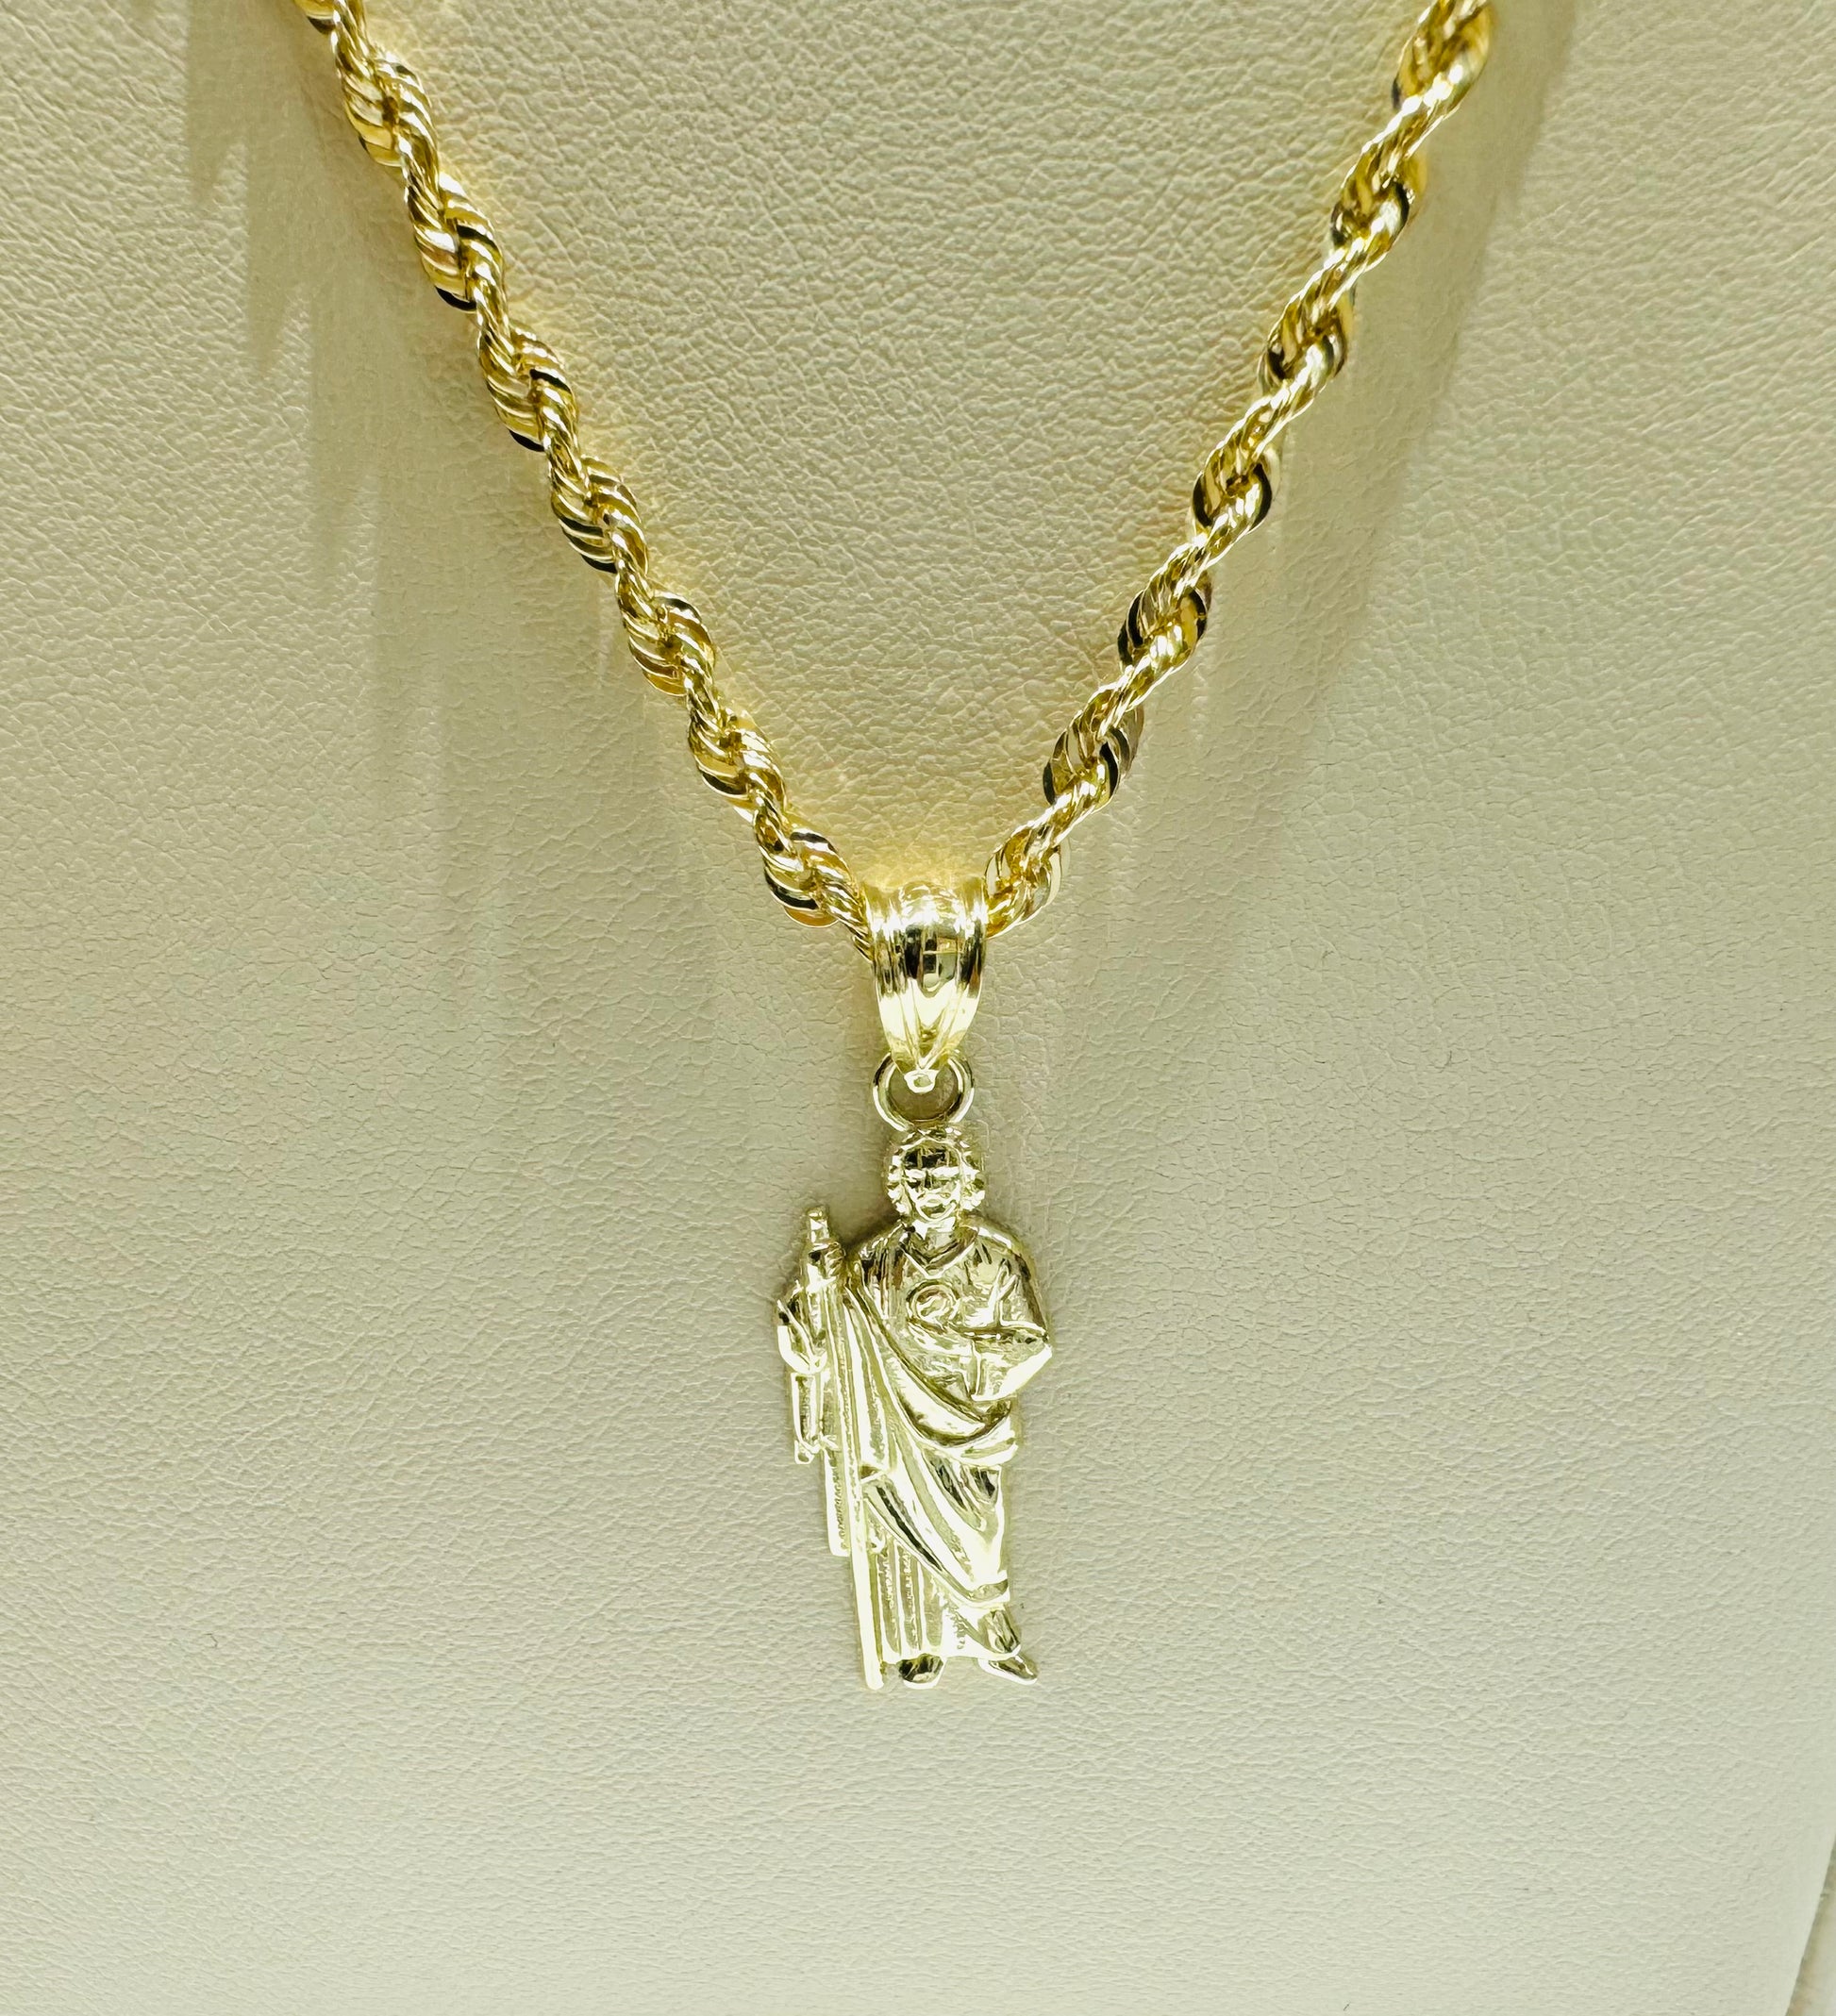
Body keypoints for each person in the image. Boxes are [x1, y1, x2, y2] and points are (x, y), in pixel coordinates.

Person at [777, 1125, 1052, 1687]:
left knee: (978, 1535)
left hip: (967, 1420)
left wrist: (961, 1348)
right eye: (919, 1179)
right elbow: (830, 1336)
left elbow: (1032, 1343)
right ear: (900, 1188)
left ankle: (991, 1634)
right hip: (889, 1417)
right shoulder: (874, 1259)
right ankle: (918, 1641)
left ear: (967, 1183)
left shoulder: (997, 1258)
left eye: (943, 1177)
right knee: (899, 1521)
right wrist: (816, 1288)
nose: (932, 1190)